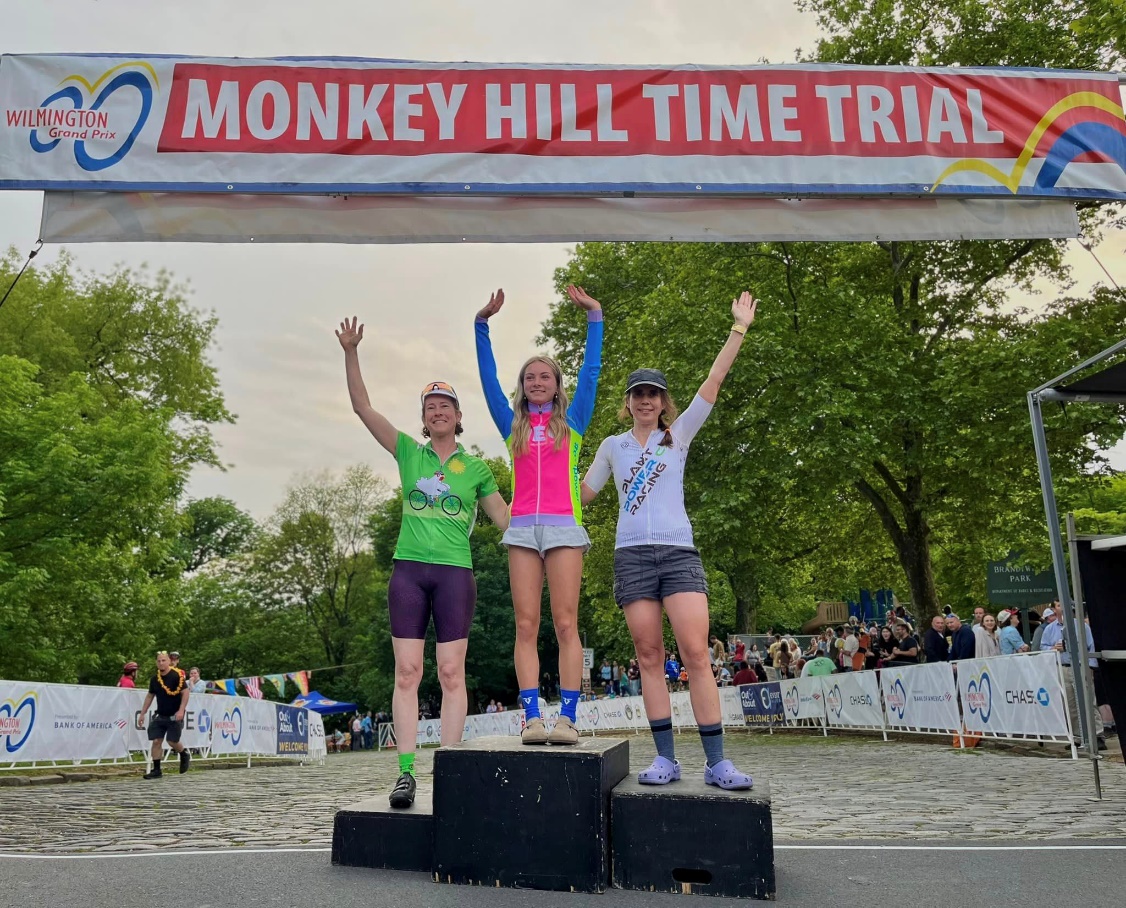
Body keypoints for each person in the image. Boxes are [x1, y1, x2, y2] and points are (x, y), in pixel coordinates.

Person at [581, 289, 758, 791]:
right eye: (637, 393)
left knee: (697, 654)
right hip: (631, 558)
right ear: (629, 402)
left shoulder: (677, 435)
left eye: (653, 394)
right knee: (649, 656)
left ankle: (717, 761)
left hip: (678, 552)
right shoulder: (611, 447)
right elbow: (583, 495)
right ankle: (665, 759)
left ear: (663, 402)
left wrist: (738, 328)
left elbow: (714, 381)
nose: (645, 400)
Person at [338, 315, 510, 807]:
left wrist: (552, 506)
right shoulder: (408, 453)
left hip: (456, 574)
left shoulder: (476, 468)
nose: (437, 413)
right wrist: (351, 351)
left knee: (452, 673)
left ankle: (450, 770)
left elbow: (504, 518)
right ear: (424, 418)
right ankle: (407, 773)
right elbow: (361, 406)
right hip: (409, 571)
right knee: (408, 672)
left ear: (458, 417)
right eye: (430, 407)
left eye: (445, 407)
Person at [475, 284, 603, 746]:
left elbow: (592, 370)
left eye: (544, 376)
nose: (536, 382)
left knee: (566, 624)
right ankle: (531, 717)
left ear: (556, 384)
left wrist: (595, 317)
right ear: (522, 386)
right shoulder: (511, 424)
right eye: (529, 377)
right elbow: (488, 380)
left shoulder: (575, 421)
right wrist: (481, 325)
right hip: (522, 528)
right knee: (525, 625)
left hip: (565, 526)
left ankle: (567, 718)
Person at [1040, 605, 1106, 749]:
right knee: (1070, 703)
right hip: (1063, 667)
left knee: (1088, 700)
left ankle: (1098, 735)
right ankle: (1077, 737)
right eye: (1058, 605)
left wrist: (1090, 666)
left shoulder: (1081, 626)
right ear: (1054, 610)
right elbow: (1042, 646)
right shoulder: (1050, 629)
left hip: (1081, 666)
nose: (1062, 608)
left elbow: (1091, 646)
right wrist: (1052, 648)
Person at [139, 651, 190, 779]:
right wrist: (143, 713)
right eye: (159, 661)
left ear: (169, 662)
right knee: (156, 741)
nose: (161, 663)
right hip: (161, 714)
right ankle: (156, 770)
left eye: (163, 660)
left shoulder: (176, 676)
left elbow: (185, 692)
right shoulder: (155, 679)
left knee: (172, 741)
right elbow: (150, 696)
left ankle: (184, 754)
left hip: (175, 715)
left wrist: (181, 710)